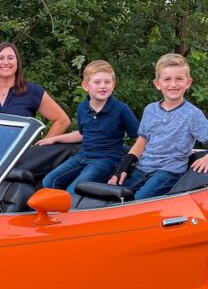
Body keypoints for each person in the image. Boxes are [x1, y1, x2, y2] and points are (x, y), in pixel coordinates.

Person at [109, 53, 208, 200]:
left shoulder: (193, 114)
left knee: (137, 202)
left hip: (168, 172)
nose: (173, 84)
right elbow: (140, 143)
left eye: (179, 79)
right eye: (167, 79)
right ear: (157, 84)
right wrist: (124, 167)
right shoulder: (150, 110)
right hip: (142, 168)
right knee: (112, 196)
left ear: (188, 82)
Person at [37, 60, 139, 201]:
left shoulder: (121, 109)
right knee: (49, 182)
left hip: (106, 160)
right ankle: (56, 212)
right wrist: (54, 138)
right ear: (86, 86)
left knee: (75, 189)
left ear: (113, 85)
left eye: (107, 82)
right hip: (82, 156)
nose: (103, 86)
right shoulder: (82, 108)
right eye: (97, 82)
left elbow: (139, 139)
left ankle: (72, 217)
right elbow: (82, 134)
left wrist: (126, 165)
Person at [0, 42, 70, 137]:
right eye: (1, 58)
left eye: (10, 58)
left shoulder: (32, 91)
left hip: (22, 152)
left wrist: (41, 147)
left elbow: (62, 120)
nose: (6, 62)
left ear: (17, 63)